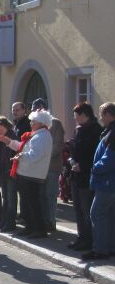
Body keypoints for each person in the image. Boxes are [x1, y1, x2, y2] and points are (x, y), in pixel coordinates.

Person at [0, 110, 53, 237]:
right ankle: (30, 227)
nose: (31, 123)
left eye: (33, 121)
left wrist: (20, 156)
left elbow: (35, 155)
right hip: (27, 173)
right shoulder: (36, 135)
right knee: (27, 203)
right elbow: (22, 147)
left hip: (32, 174)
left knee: (32, 203)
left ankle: (38, 229)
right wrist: (9, 142)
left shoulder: (42, 136)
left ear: (41, 123)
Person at [67, 103, 103, 251]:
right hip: (76, 175)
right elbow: (74, 148)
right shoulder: (78, 130)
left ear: (84, 114)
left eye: (76, 115)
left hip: (87, 177)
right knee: (78, 209)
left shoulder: (96, 130)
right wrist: (71, 159)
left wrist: (82, 165)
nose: (75, 118)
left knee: (86, 210)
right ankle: (81, 237)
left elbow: (96, 155)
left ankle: (89, 240)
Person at [84, 102, 115, 261]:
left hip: (107, 181)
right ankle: (109, 247)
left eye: (102, 114)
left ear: (109, 115)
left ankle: (100, 249)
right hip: (108, 181)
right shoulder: (109, 131)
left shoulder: (112, 133)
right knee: (108, 215)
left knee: (97, 213)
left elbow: (109, 159)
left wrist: (94, 168)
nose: (100, 117)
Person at [31, 99, 65, 231]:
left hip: (51, 166)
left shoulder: (55, 123)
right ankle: (42, 221)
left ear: (41, 108)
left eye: (35, 109)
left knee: (49, 195)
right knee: (41, 195)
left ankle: (50, 222)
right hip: (39, 166)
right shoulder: (36, 124)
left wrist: (44, 157)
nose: (33, 112)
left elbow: (58, 144)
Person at [0, 117, 18, 232]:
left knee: (11, 198)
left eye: (1, 129)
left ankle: (10, 222)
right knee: (5, 197)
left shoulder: (12, 137)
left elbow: (15, 151)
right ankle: (4, 220)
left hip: (10, 171)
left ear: (6, 127)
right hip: (1, 171)